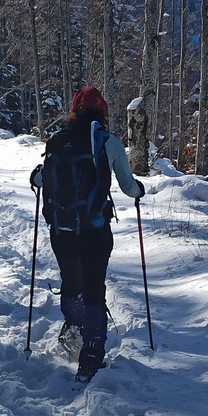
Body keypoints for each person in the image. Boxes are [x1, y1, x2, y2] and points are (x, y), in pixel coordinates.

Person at [30, 87, 144, 384]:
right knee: (94, 286)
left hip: (62, 228)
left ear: (74, 111)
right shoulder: (108, 142)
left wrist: (35, 177)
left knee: (71, 281)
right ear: (103, 113)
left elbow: (42, 178)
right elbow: (127, 186)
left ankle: (76, 331)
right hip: (94, 228)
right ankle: (92, 351)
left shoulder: (57, 141)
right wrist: (139, 192)